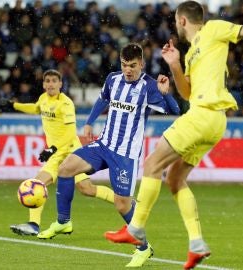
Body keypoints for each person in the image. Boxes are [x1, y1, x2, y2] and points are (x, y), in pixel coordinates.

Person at [104, 2, 243, 269]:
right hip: (212, 121)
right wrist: (176, 65)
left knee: (151, 165)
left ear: (182, 21)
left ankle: (135, 229)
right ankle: (196, 244)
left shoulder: (214, 29)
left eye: (176, 21)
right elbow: (187, 93)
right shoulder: (191, 53)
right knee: (176, 180)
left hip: (205, 115)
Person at [37, 43, 180, 267]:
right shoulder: (113, 79)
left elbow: (175, 111)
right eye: (124, 65)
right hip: (103, 145)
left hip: (125, 154)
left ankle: (143, 247)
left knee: (122, 205)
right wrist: (89, 122)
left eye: (133, 65)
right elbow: (103, 99)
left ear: (141, 64)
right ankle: (63, 222)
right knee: (65, 169)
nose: (128, 70)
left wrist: (166, 94)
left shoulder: (149, 87)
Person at [9, 69, 115, 236]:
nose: (50, 84)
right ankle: (33, 225)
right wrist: (14, 105)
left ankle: (123, 201)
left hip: (72, 151)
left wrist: (52, 149)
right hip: (56, 153)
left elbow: (69, 133)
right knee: (37, 183)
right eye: (48, 81)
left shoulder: (66, 103)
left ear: (60, 84)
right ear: (43, 84)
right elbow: (35, 108)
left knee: (86, 189)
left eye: (54, 81)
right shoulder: (43, 99)